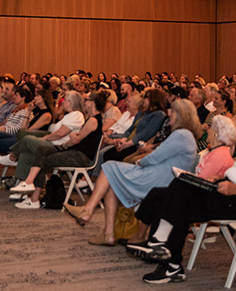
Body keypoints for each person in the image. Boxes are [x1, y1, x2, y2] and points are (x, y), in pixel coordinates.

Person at [127, 103, 236, 284]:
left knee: (179, 196)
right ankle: (166, 256)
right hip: (227, 190)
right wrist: (220, 175)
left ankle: (165, 254)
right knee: (164, 194)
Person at [63, 99, 200, 245]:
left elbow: (155, 156)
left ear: (180, 115)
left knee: (109, 167)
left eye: (172, 111)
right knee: (111, 179)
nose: (169, 114)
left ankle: (88, 211)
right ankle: (106, 233)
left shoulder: (181, 135)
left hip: (158, 179)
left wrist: (140, 162)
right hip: (162, 177)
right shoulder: (185, 135)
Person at [10, 90, 106, 209]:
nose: (84, 103)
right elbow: (77, 137)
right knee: (41, 151)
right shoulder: (91, 119)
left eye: (86, 100)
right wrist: (72, 138)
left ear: (92, 103)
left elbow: (77, 139)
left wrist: (68, 142)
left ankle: (33, 195)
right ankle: (30, 189)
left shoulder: (93, 120)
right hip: (76, 153)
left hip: (80, 157)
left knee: (41, 159)